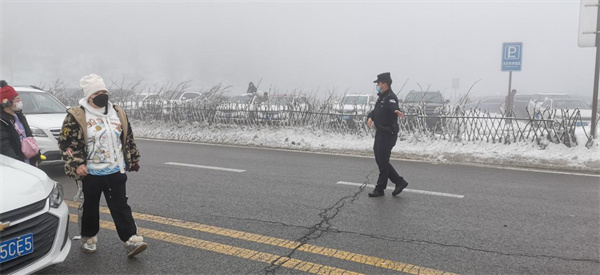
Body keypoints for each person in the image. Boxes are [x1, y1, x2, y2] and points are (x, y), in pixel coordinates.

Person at [58, 74, 147, 258]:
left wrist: (134, 157)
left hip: (116, 169)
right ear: (89, 96)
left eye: (104, 92)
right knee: (90, 206)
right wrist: (76, 164)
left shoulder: (117, 112)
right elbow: (67, 144)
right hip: (90, 173)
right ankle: (89, 238)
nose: (102, 96)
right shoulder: (77, 115)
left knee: (120, 205)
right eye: (97, 93)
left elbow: (127, 138)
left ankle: (131, 239)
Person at [366, 72, 409, 197]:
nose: (377, 86)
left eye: (378, 83)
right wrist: (370, 117)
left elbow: (392, 106)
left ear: (384, 84)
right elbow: (376, 111)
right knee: (380, 160)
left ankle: (380, 188)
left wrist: (397, 110)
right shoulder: (382, 97)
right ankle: (399, 182)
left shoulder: (390, 97)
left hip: (388, 133)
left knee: (383, 161)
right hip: (380, 133)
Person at [0, 80, 40, 166]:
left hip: (29, 161)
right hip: (16, 163)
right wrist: (17, 164)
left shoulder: (19, 115)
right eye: (17, 100)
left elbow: (29, 136)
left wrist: (36, 156)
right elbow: (4, 146)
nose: (20, 102)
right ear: (7, 102)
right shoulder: (2, 120)